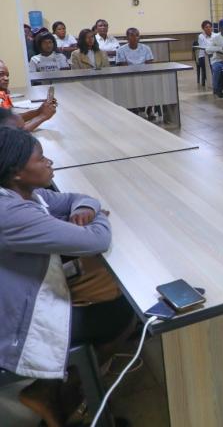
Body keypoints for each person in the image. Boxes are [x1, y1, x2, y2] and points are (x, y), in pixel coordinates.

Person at [0, 127, 133, 427]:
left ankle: (55, 390)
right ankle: (64, 391)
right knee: (121, 313)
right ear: (16, 172)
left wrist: (85, 207)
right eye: (41, 159)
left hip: (22, 297)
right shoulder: (10, 214)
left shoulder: (22, 193)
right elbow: (96, 240)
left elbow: (77, 198)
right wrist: (98, 216)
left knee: (109, 286)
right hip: (15, 328)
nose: (49, 163)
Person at [0, 60, 57, 131]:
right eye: (1, 74)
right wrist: (42, 116)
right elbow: (12, 134)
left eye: (7, 75)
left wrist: (39, 111)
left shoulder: (2, 95)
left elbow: (10, 119)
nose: (6, 78)